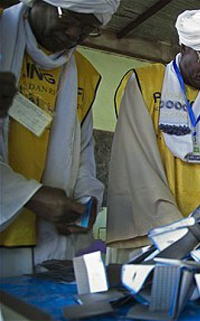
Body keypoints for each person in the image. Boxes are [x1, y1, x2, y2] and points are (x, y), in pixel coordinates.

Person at [106, 8, 200, 262]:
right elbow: (136, 162)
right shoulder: (144, 83)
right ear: (183, 46)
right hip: (149, 232)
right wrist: (173, 226)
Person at [0, 0, 120, 276]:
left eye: (88, 29)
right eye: (69, 18)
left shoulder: (85, 75)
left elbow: (82, 154)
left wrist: (87, 199)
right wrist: (29, 196)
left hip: (50, 243)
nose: (73, 34)